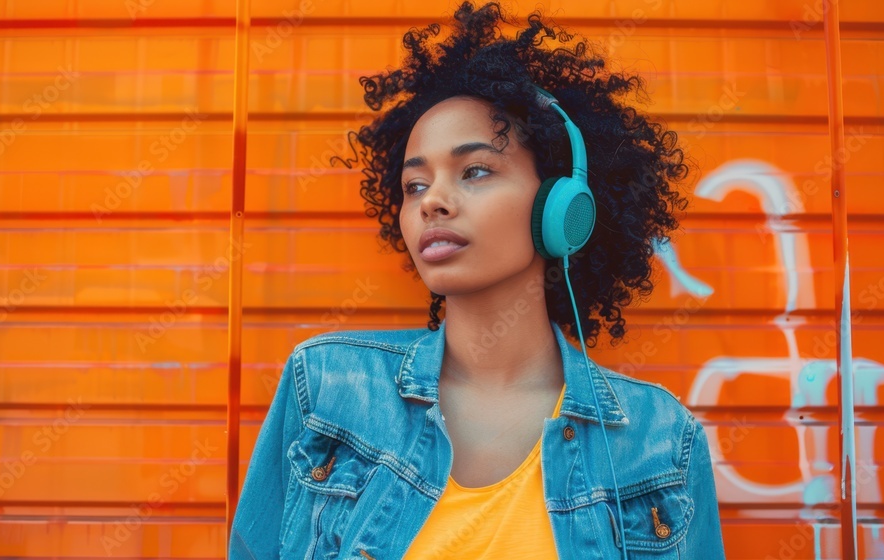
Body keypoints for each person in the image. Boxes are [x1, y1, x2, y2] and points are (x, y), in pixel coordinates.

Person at [230, 2, 725, 558]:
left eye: (475, 171)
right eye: (415, 185)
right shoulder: (327, 387)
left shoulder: (659, 441)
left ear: (561, 207)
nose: (433, 201)